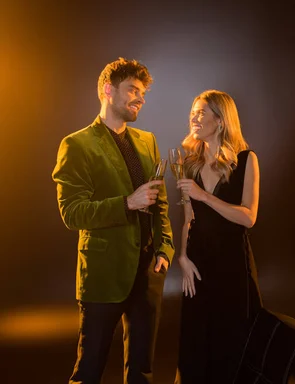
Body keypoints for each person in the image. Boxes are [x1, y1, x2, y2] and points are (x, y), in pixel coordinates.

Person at [52, 57, 175, 384]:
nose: (141, 98)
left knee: (142, 373)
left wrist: (165, 250)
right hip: (103, 276)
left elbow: (160, 202)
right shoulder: (76, 145)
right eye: (133, 90)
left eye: (143, 93)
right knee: (89, 371)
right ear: (108, 90)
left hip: (148, 273)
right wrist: (126, 203)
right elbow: (72, 213)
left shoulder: (147, 140)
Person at [174, 90, 262, 383]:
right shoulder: (189, 164)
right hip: (198, 267)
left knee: (233, 348)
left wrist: (204, 196)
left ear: (221, 120)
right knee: (196, 349)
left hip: (233, 267)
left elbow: (248, 217)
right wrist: (182, 257)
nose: (193, 118)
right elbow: (189, 220)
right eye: (192, 112)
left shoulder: (246, 160)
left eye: (201, 112)